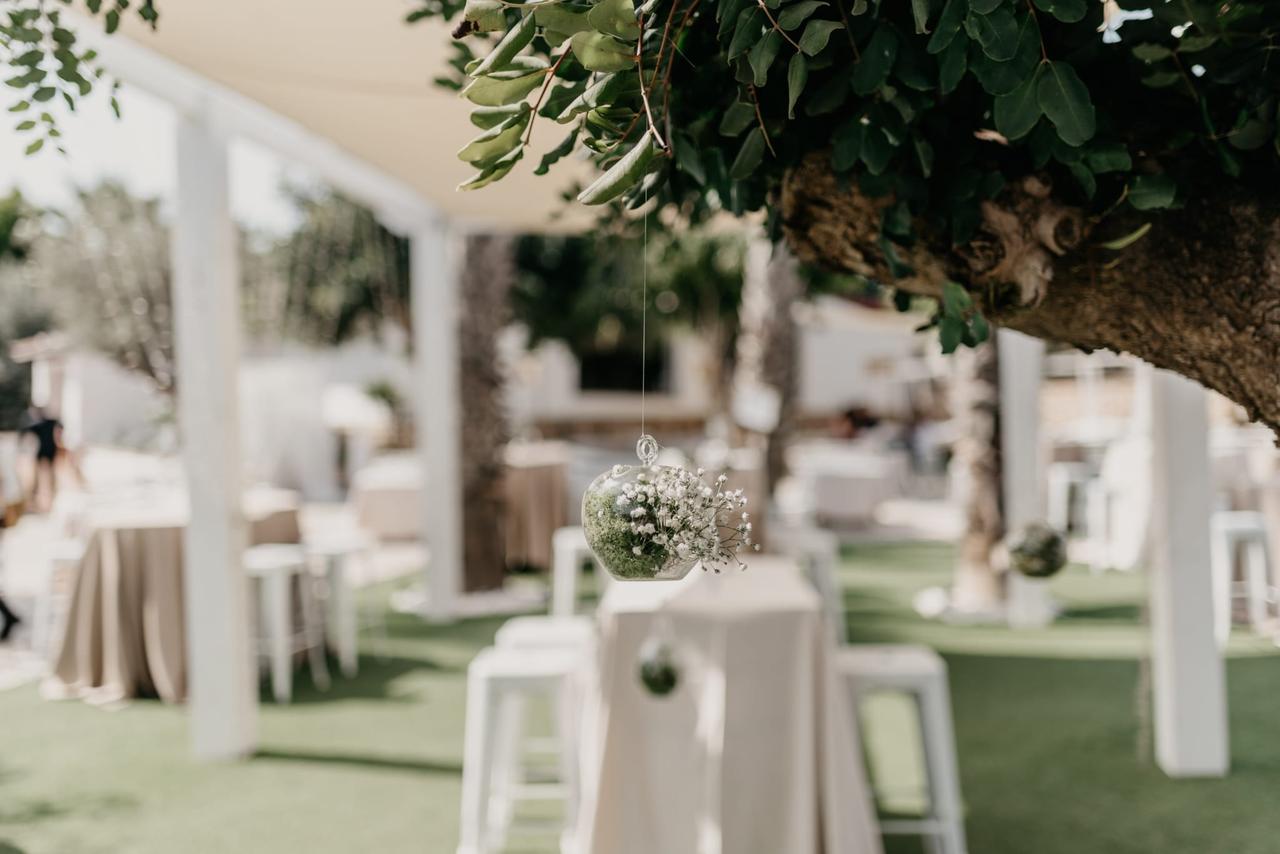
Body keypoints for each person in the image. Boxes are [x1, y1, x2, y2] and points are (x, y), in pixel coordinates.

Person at [23, 405, 62, 513]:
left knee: (46, 475)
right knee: (43, 476)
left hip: (46, 452)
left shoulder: (42, 424)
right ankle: (36, 498)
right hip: (47, 452)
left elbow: (26, 431)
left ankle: (45, 496)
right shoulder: (50, 423)